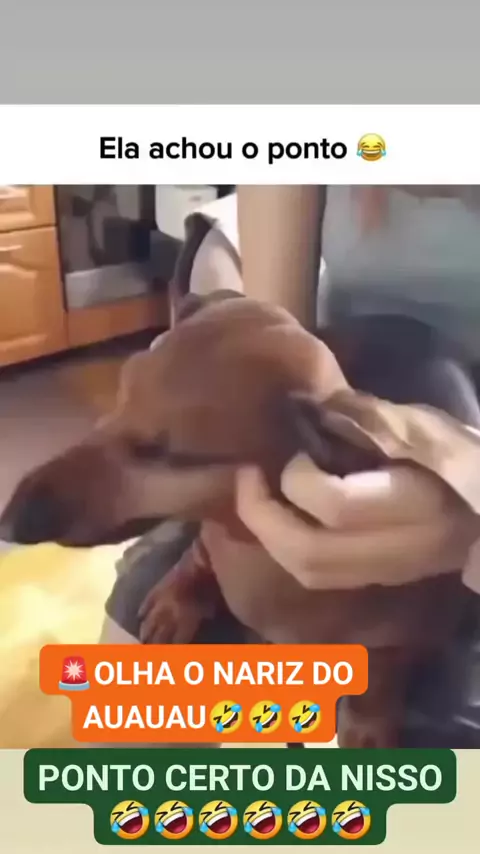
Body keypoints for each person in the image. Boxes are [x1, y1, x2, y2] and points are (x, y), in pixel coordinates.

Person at [101, 184, 480, 747]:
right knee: (132, 710)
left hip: (449, 486)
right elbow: (274, 323)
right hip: (323, 414)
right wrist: (200, 567)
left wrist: (469, 516)